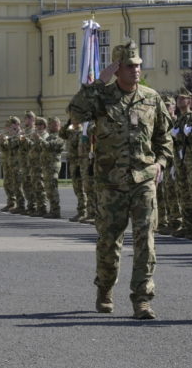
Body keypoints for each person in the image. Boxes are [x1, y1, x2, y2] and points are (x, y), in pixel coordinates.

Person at [67, 39, 173, 320]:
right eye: (129, 66)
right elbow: (75, 113)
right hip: (110, 184)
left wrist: (162, 162)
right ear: (116, 69)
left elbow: (164, 138)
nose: (136, 70)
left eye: (138, 65)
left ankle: (142, 299)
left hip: (143, 181)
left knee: (145, 242)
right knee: (109, 242)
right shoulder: (101, 97)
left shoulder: (152, 98)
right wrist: (96, 84)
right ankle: (104, 288)